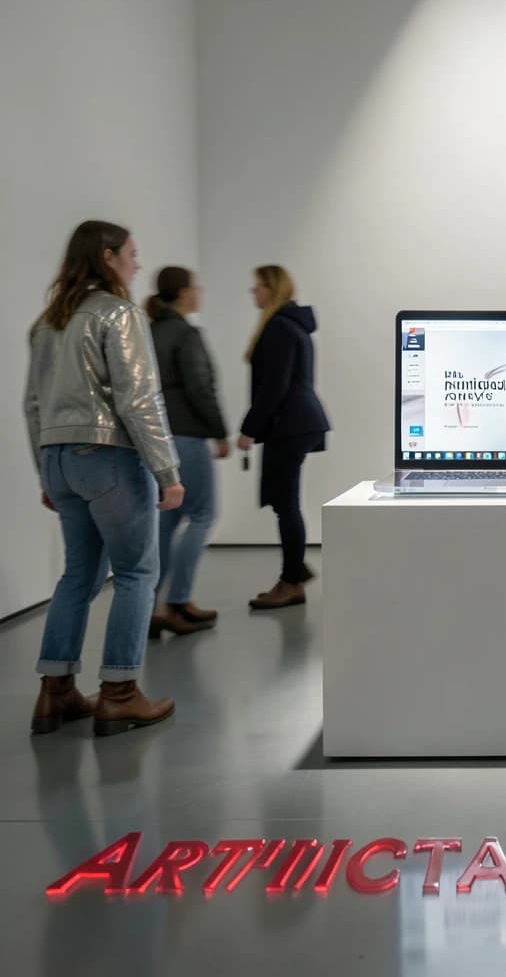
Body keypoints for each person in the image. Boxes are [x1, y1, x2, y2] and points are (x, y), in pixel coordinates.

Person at [23, 220, 181, 736]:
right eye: (132, 254)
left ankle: (56, 693)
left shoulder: (48, 322)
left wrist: (47, 472)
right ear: (108, 256)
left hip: (60, 459)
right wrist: (167, 472)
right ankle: (119, 694)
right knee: (136, 574)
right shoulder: (119, 313)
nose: (138, 263)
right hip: (108, 456)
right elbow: (138, 400)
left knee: (78, 576)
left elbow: (32, 405)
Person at [237, 265, 330, 609]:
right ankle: (294, 572)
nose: (253, 293)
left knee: (285, 503)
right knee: (283, 501)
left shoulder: (278, 326)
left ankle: (291, 581)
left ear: (271, 288)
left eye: (257, 286)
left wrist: (249, 428)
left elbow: (275, 385)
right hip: (296, 422)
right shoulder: (292, 325)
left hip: (289, 424)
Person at [146, 267, 230, 637]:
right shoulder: (185, 333)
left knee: (166, 521)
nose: (201, 293)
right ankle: (179, 601)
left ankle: (149, 606)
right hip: (188, 437)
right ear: (183, 293)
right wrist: (220, 432)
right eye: (197, 287)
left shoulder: (150, 331)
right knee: (202, 514)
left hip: (157, 437)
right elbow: (200, 387)